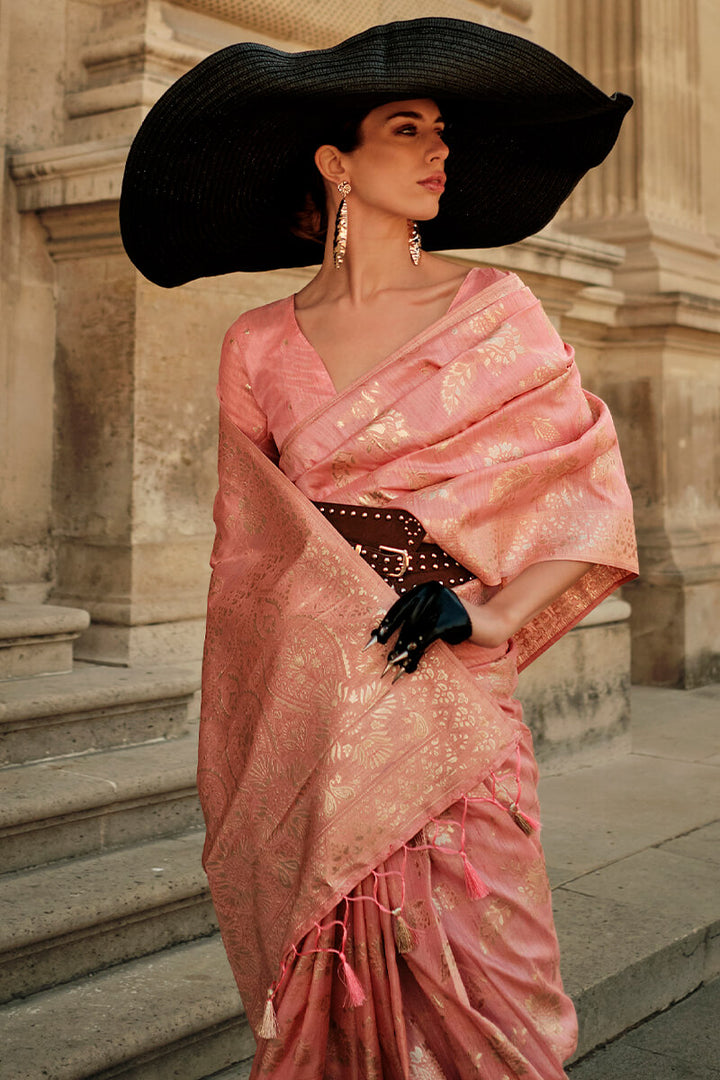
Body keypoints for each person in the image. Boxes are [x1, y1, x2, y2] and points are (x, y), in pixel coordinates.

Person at [120, 18, 638, 1079]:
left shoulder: (500, 311)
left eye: (442, 129)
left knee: (496, 1001)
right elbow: (246, 560)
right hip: (320, 712)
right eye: (408, 127)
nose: (440, 149)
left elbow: (589, 497)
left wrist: (486, 609)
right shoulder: (255, 344)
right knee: (335, 992)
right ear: (334, 161)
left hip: (449, 698)